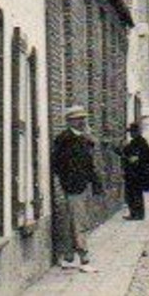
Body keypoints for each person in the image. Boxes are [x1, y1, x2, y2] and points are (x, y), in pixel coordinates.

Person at [51, 106, 104, 272]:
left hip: (81, 185)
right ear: (70, 121)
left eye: (83, 118)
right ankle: (84, 258)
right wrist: (68, 181)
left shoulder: (83, 139)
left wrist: (95, 184)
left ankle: (68, 257)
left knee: (74, 220)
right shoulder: (65, 139)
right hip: (73, 186)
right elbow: (58, 164)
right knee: (79, 221)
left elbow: (89, 164)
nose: (83, 121)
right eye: (79, 118)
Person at [118, 121, 149, 221]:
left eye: (133, 132)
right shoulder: (135, 142)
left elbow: (145, 156)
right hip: (133, 172)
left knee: (134, 193)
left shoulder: (140, 142)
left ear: (137, 132)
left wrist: (136, 158)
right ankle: (135, 213)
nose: (131, 134)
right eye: (131, 132)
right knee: (133, 193)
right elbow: (125, 152)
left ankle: (137, 214)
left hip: (136, 172)